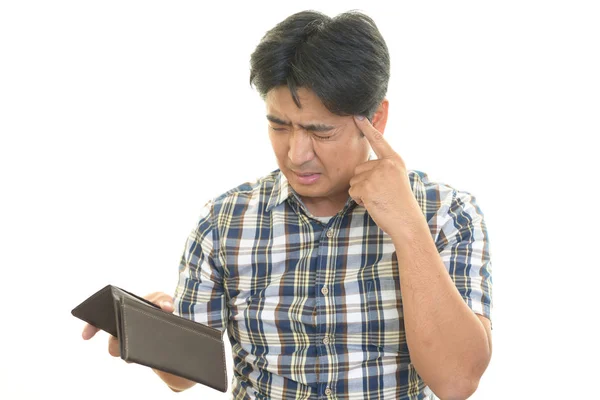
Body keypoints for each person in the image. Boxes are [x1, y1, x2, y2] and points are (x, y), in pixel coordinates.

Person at [82, 10, 493, 400]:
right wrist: (152, 337)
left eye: (320, 131)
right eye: (279, 126)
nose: (296, 154)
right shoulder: (224, 221)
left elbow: (457, 380)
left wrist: (408, 228)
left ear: (376, 119)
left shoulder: (447, 214)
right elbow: (182, 377)